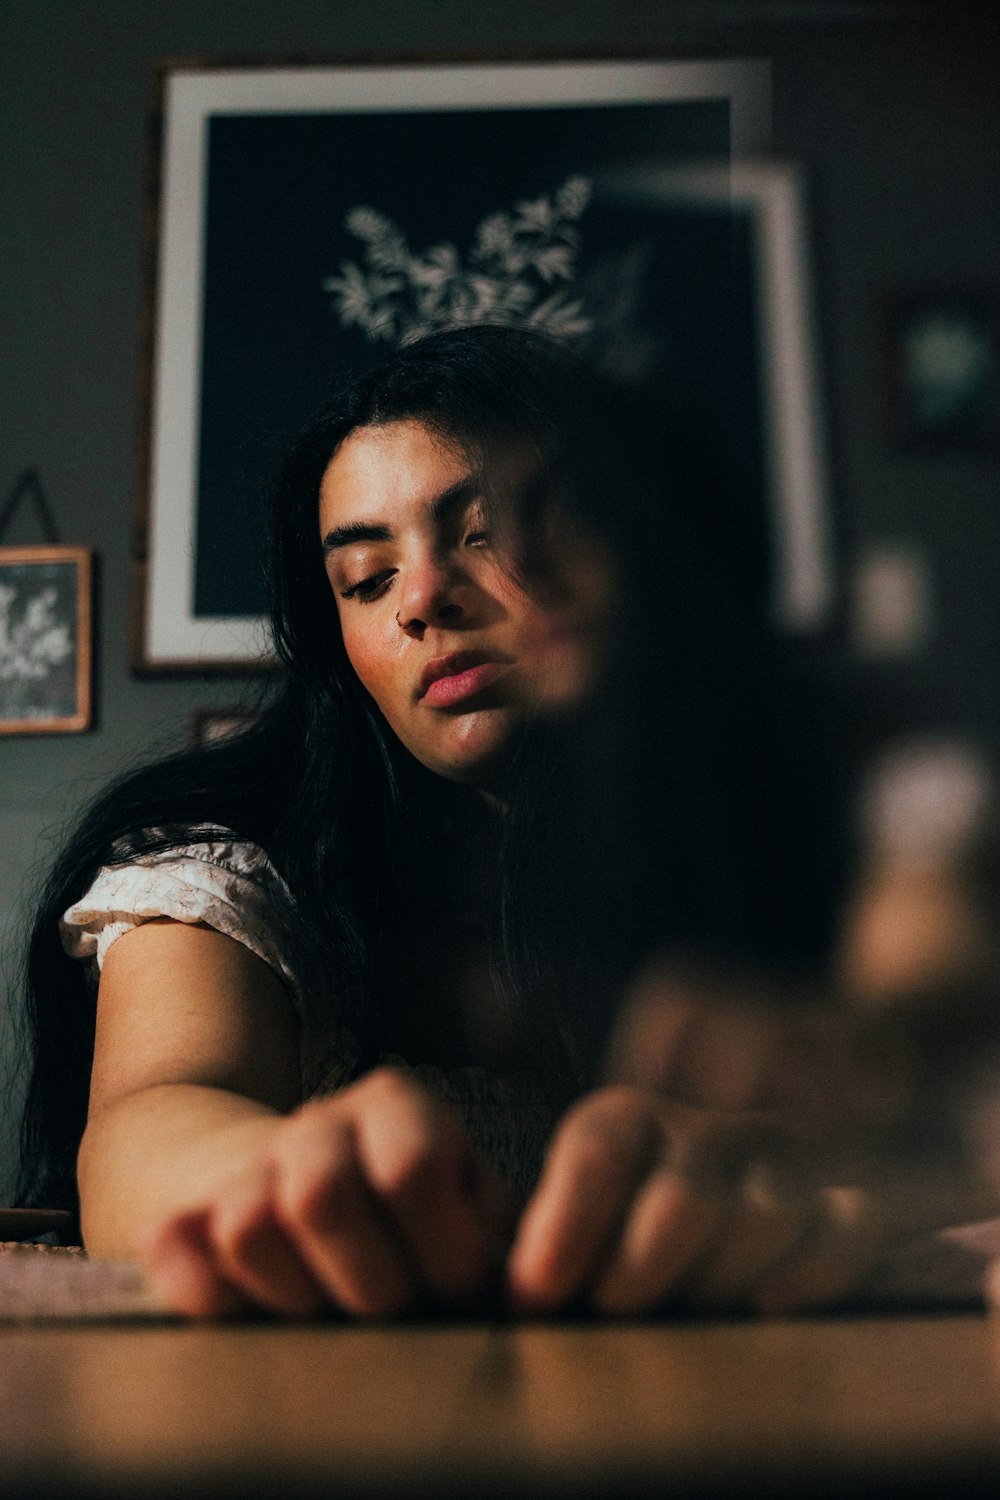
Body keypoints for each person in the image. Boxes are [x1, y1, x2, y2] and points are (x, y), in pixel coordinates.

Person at [14, 326, 1000, 1318]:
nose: (424, 599)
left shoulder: (821, 818)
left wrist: (826, 1169)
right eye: (366, 579)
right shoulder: (231, 869)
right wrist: (277, 1174)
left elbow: (937, 1044)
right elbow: (149, 1127)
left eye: (482, 532)